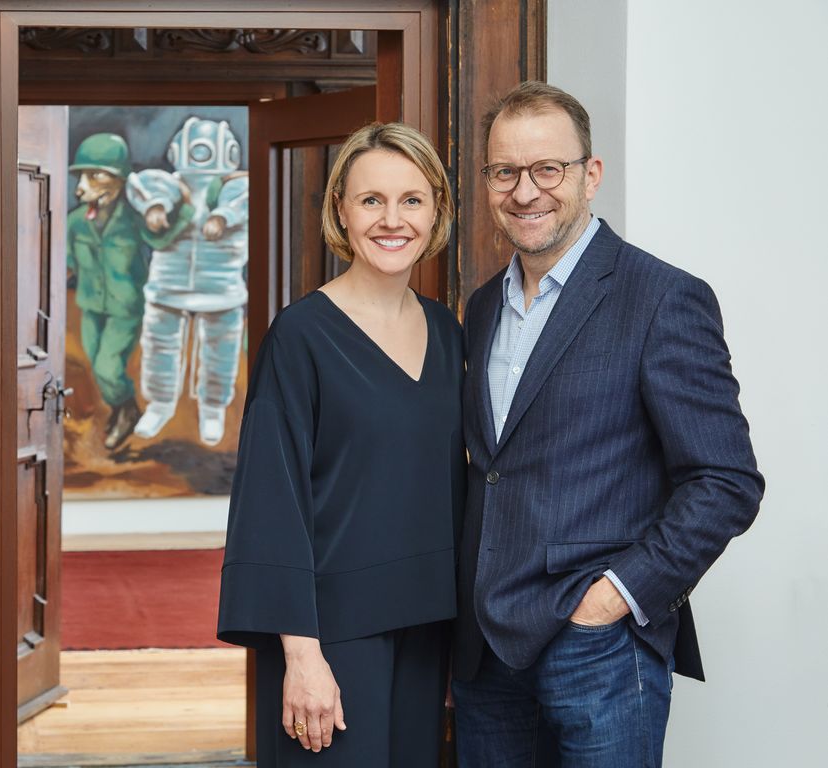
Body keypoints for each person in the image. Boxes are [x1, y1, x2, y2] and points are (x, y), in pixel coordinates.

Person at [451, 80, 765, 767]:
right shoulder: (481, 307)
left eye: (547, 169)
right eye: (504, 171)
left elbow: (725, 480)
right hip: (486, 654)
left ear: (590, 175)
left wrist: (612, 599)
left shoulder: (662, 298)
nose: (524, 191)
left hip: (597, 650)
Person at [217, 122, 463, 766]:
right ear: (340, 210)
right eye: (371, 200)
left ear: (436, 210)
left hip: (427, 630)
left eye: (412, 200)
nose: (393, 220)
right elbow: (270, 504)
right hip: (330, 638)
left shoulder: (448, 333)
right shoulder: (299, 337)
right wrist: (302, 657)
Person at [125, 117, 250, 446]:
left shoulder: (236, 188)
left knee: (221, 351)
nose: (202, 157)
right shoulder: (171, 185)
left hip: (221, 287)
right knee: (159, 347)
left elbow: (242, 201)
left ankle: (213, 407)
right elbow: (143, 185)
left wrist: (223, 216)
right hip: (169, 284)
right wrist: (154, 207)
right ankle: (160, 403)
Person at [66, 133, 148, 450]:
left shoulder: (135, 220)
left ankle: (128, 412)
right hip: (90, 304)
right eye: (81, 176)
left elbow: (166, 237)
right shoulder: (75, 222)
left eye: (95, 175)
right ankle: (123, 408)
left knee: (107, 366)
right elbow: (64, 264)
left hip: (124, 308)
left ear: (120, 180)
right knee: (96, 363)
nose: (81, 187)